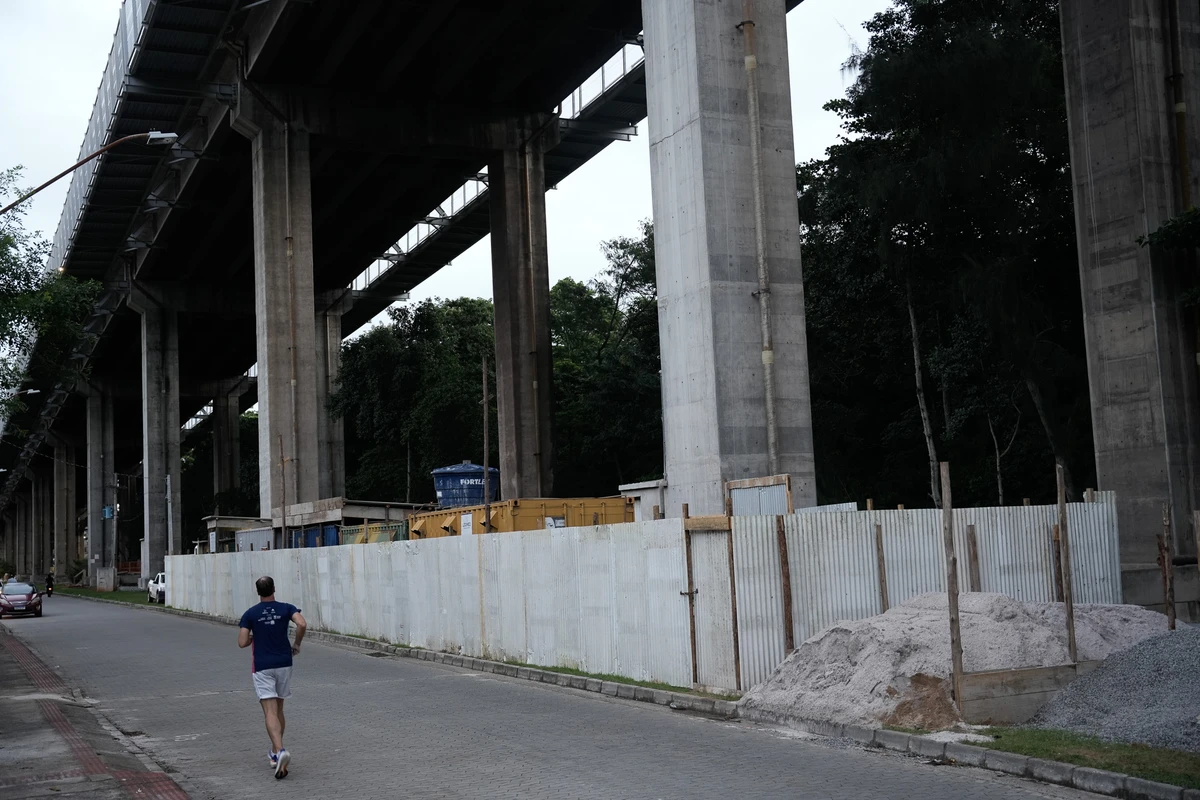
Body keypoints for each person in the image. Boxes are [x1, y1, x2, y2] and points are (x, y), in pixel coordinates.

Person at [238, 575, 306, 779]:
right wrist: (297, 644)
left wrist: (253, 636)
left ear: (257, 591)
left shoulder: (250, 614)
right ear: (274, 588)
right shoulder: (286, 608)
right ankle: (276, 752)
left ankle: (280, 750)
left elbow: (241, 642)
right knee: (279, 709)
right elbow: (301, 624)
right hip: (284, 663)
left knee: (269, 711)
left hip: (262, 666)